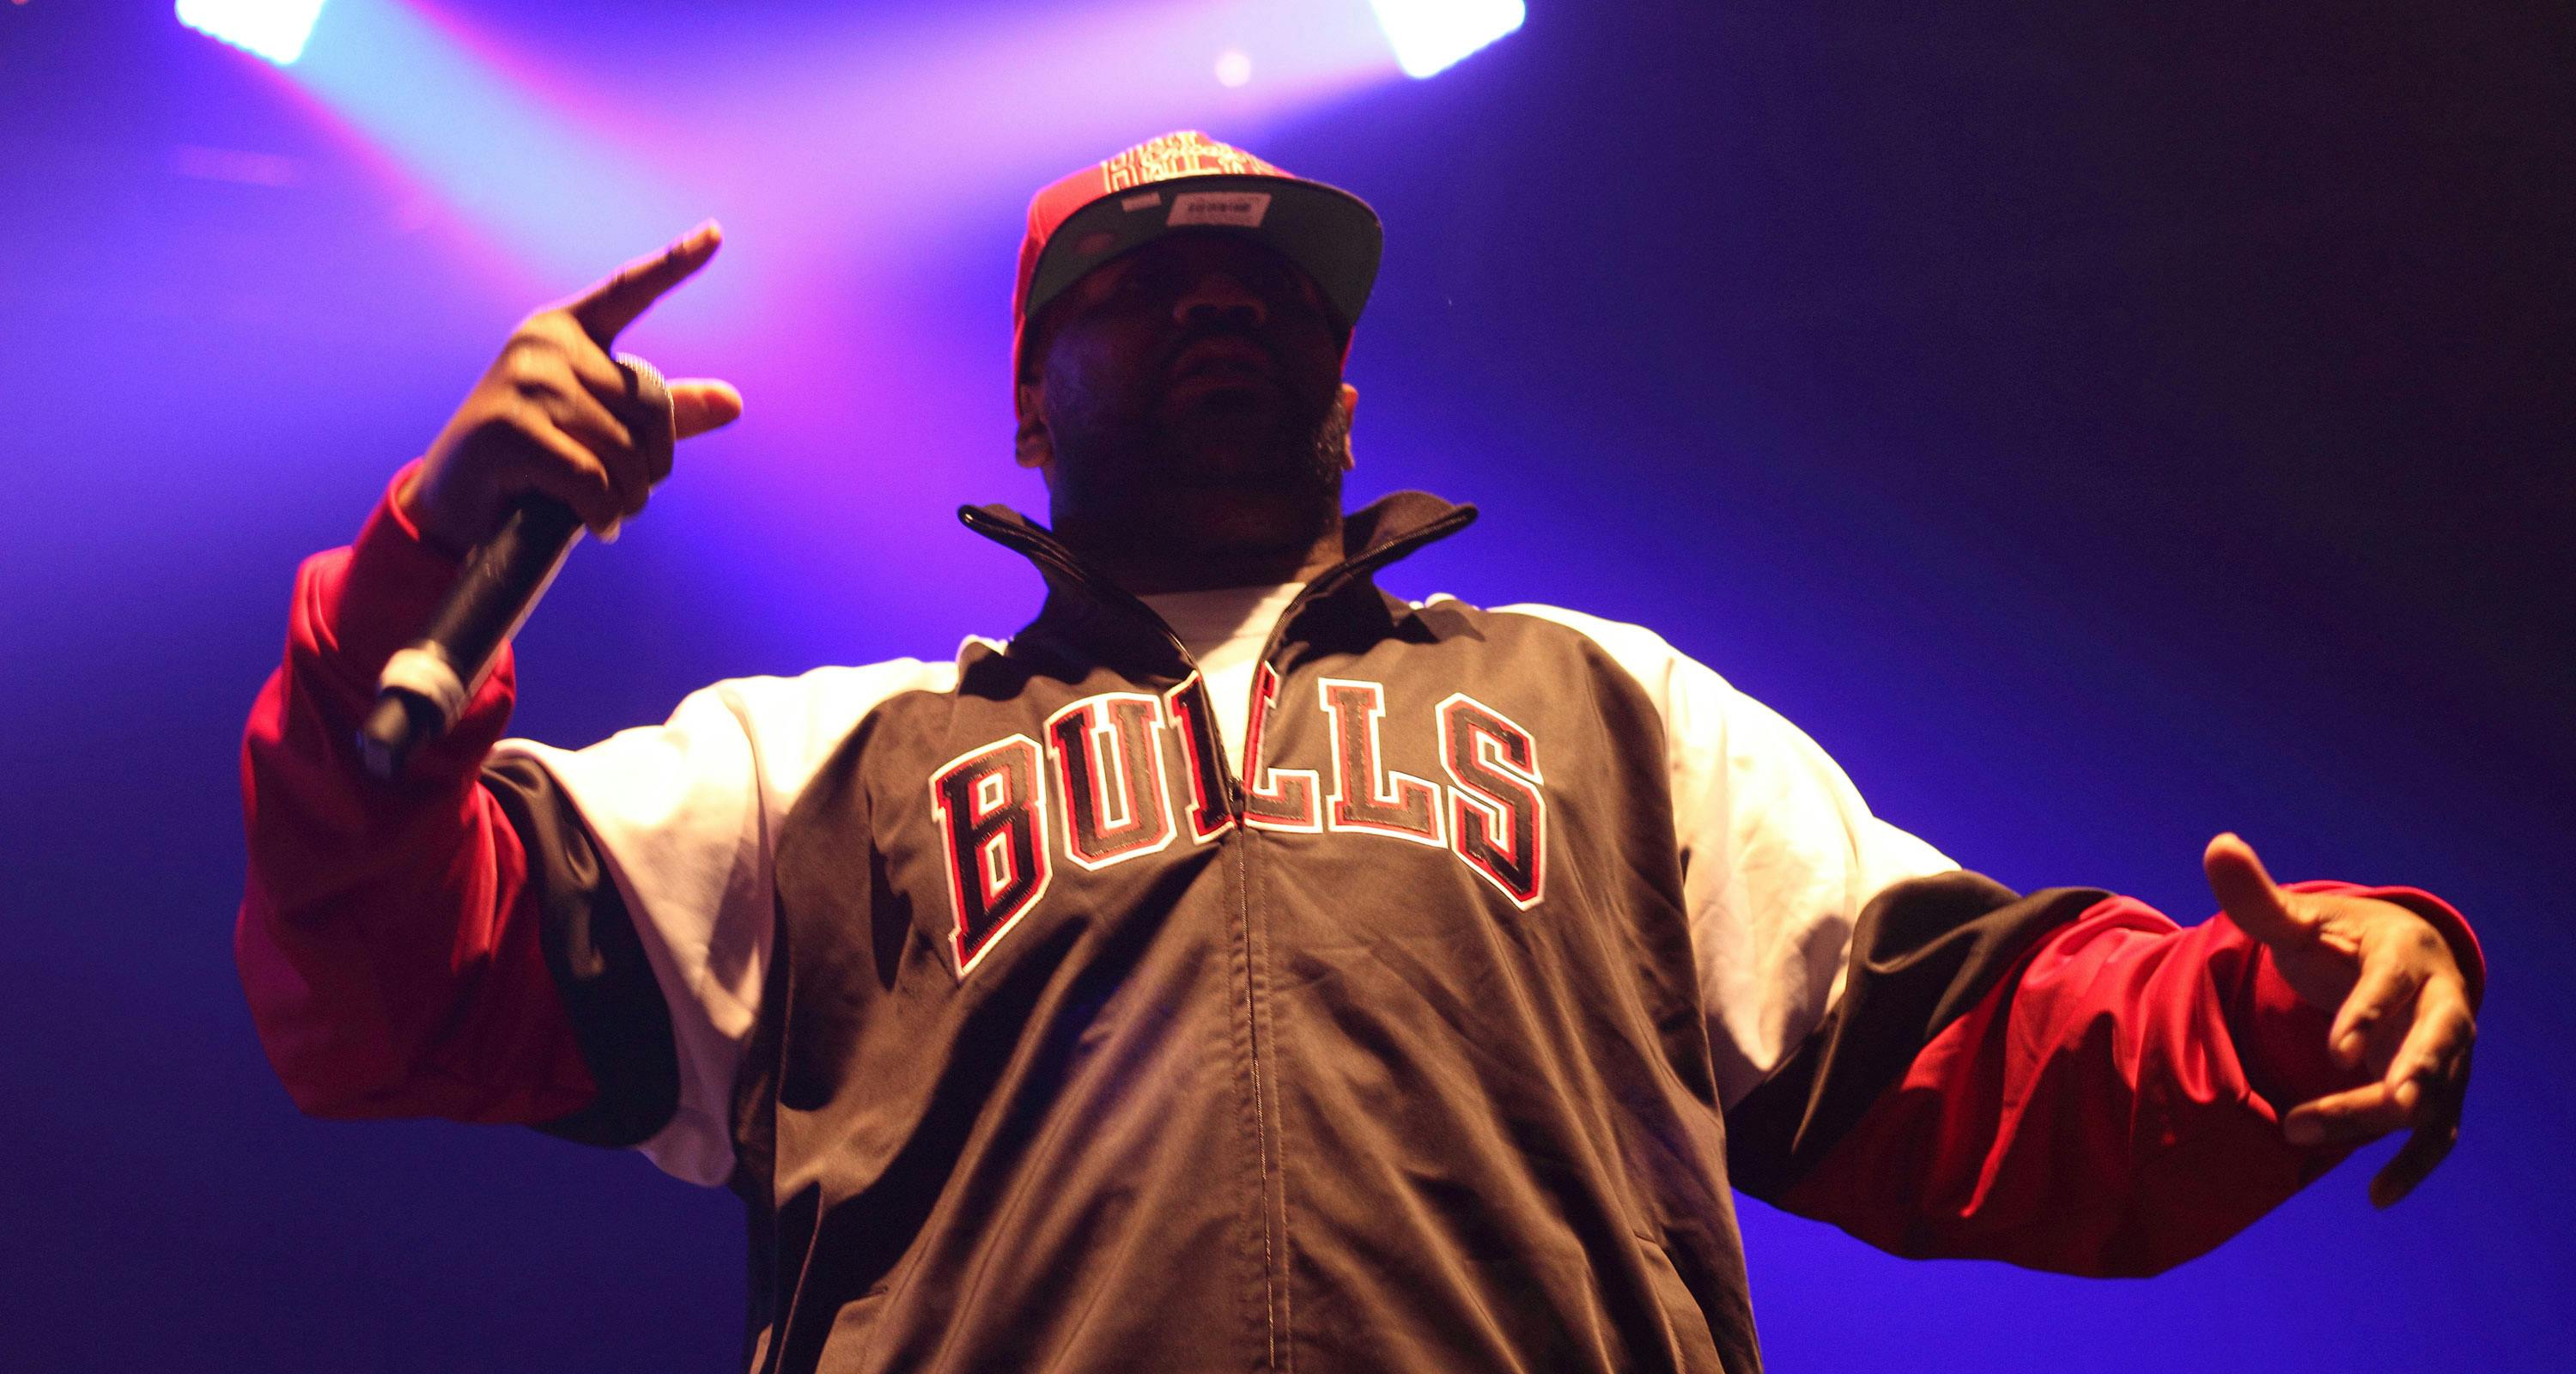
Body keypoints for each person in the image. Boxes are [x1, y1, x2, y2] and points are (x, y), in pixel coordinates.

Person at [239, 131, 2481, 1374]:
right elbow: (374, 978)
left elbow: (1980, 1056)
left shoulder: (1613, 717)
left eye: (1278, 291)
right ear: (1026, 396)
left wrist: (2265, 1013)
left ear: (1345, 388)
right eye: (1142, 282)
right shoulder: (816, 771)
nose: (1224, 303)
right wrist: (436, 554)